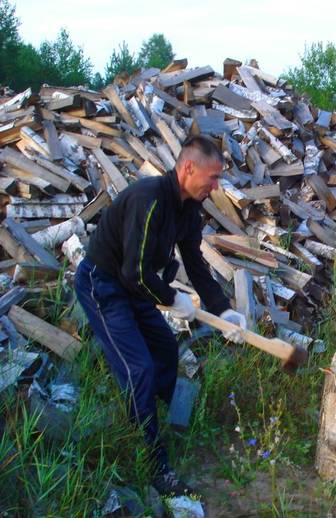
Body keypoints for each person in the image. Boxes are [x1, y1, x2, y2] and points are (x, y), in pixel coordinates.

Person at [74, 135, 246, 496]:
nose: (216, 187)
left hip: (134, 287)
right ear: (188, 168)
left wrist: (224, 310)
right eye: (212, 178)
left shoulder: (188, 210)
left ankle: (160, 420)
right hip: (103, 285)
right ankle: (152, 462)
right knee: (138, 369)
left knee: (166, 349)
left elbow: (197, 265)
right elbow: (133, 272)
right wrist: (171, 298)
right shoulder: (149, 198)